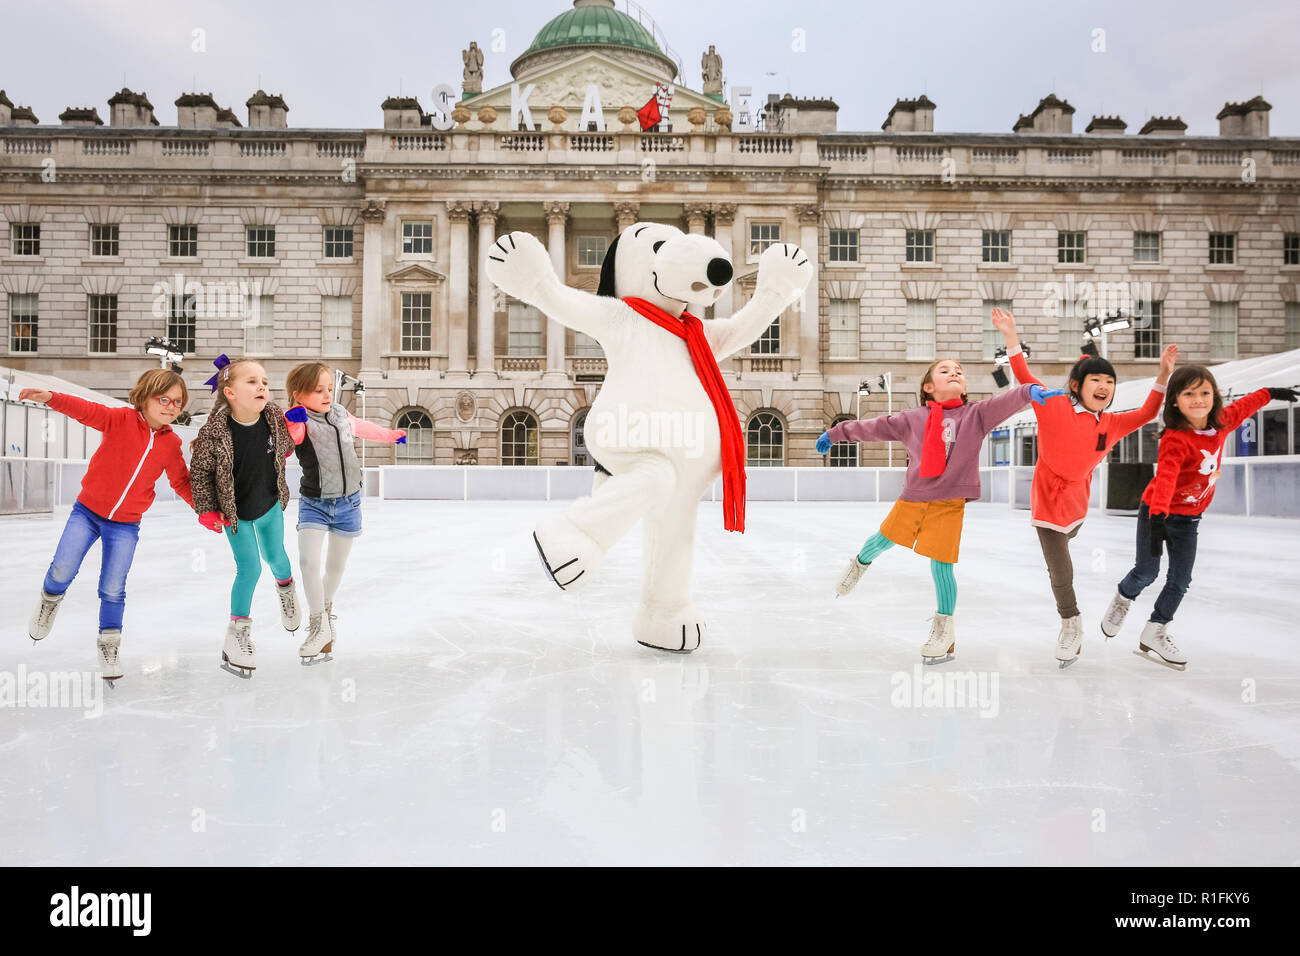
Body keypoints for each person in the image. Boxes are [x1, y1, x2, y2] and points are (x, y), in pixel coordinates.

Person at [818, 358, 1062, 663]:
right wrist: (837, 433)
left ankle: (944, 630)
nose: (955, 373)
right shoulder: (912, 418)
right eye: (945, 371)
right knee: (883, 540)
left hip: (949, 503)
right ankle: (859, 563)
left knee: (941, 565)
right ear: (928, 387)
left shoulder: (976, 415)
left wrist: (1027, 392)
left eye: (959, 371)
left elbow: (1006, 401)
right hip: (914, 497)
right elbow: (874, 427)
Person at [992, 307, 1177, 666]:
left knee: (1067, 541)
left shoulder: (1111, 423)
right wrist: (1011, 337)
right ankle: (1070, 622)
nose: (1104, 387)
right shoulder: (1055, 404)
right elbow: (1024, 374)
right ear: (1077, 385)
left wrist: (1163, 375)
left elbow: (1148, 413)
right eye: (1096, 380)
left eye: (1109, 382)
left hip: (1077, 500)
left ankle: (1072, 598)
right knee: (1060, 567)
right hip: (1047, 497)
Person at [1102, 367, 1298, 669]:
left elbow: (1245, 405)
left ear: (1214, 397)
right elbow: (1166, 477)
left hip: (1189, 518)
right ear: (1176, 401)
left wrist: (1271, 393)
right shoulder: (1176, 439)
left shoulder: (1221, 423)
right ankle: (1122, 599)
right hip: (1157, 512)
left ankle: (1156, 630)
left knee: (1180, 580)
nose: (1198, 400)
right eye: (1189, 394)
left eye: (1204, 393)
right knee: (1146, 571)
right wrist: (1158, 518)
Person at [23, 370, 203, 683]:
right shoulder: (119, 420)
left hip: (125, 525)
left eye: (178, 402)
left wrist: (206, 510)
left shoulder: (171, 443)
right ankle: (49, 601)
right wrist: (52, 398)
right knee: (62, 568)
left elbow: (180, 482)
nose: (172, 406)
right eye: (164, 399)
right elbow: (87, 410)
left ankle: (109, 645)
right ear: (145, 397)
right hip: (87, 512)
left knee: (113, 587)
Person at [283, 362, 405, 663]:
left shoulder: (339, 413)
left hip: (349, 502)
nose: (326, 394)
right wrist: (292, 420)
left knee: (335, 567)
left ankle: (325, 615)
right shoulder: (297, 421)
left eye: (328, 388)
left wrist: (391, 435)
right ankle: (317, 625)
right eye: (318, 390)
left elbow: (363, 427)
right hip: (315, 502)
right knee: (308, 561)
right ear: (299, 395)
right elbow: (288, 444)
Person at [189, 356, 299, 677]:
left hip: (270, 506)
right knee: (249, 569)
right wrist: (206, 509)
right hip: (235, 514)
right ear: (231, 392)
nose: (261, 386)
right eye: (252, 381)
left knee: (277, 558)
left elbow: (286, 447)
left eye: (264, 382)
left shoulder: (274, 416)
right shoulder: (214, 430)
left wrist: (295, 429)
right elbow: (200, 472)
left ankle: (286, 590)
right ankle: (237, 633)